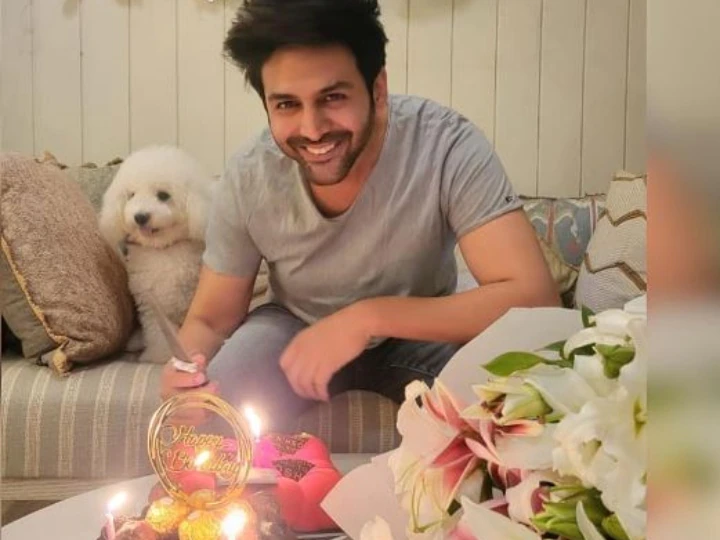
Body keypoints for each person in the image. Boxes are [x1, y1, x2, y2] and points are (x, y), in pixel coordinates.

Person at [160, 0, 560, 430]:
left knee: (516, 412)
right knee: (209, 418)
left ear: (378, 88)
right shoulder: (248, 175)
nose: (312, 129)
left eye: (333, 97)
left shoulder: (446, 145)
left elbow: (535, 298)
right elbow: (210, 319)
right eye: (287, 104)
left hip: (423, 327)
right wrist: (184, 373)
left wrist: (366, 318)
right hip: (293, 328)